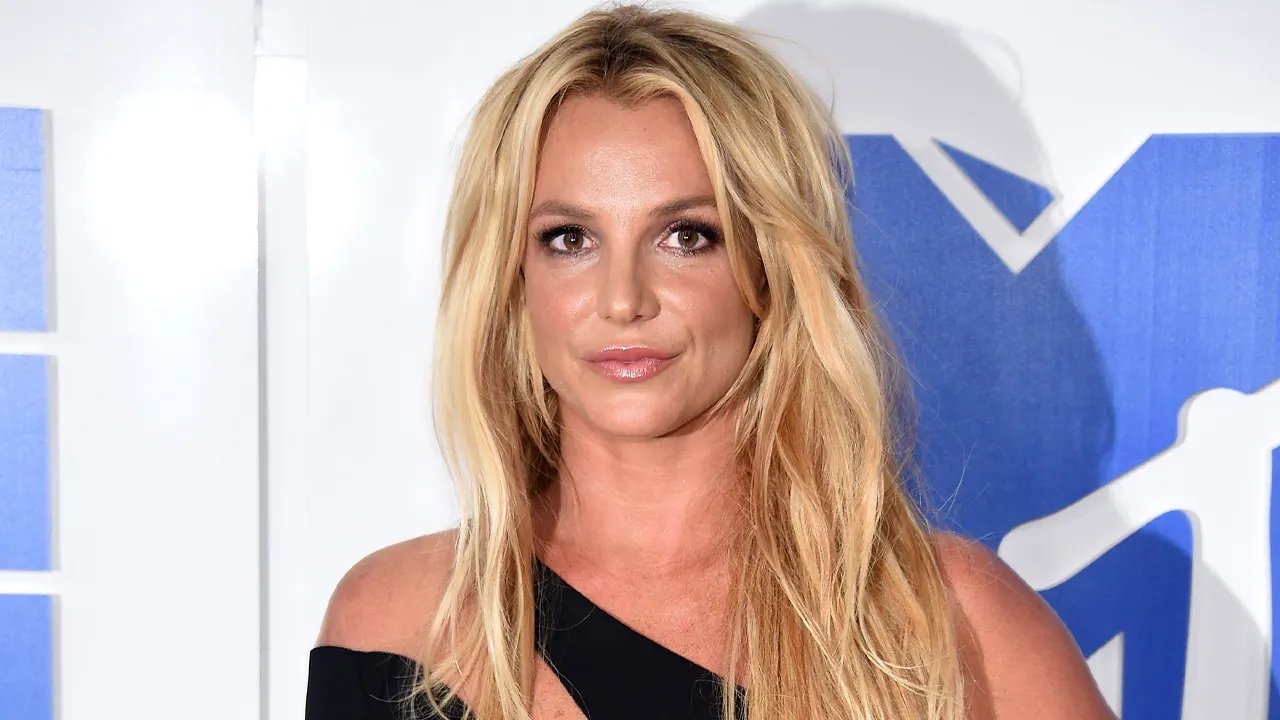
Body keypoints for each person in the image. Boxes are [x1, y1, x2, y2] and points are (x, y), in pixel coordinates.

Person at [305, 4, 1113, 719]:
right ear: (513, 278)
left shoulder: (948, 621)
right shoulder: (396, 623)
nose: (623, 299)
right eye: (570, 239)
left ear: (771, 265)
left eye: (686, 235)